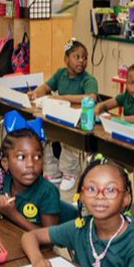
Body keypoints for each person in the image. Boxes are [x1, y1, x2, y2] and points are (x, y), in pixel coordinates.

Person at [21, 159, 134, 267]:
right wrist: (37, 259)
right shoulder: (81, 227)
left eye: (111, 190)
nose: (100, 196)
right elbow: (29, 236)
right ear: (81, 196)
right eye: (91, 189)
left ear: (126, 198)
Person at [28, 40, 97, 191]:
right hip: (60, 115)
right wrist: (35, 93)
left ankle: (70, 172)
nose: (81, 61)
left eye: (84, 58)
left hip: (78, 120)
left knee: (69, 140)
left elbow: (91, 98)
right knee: (45, 134)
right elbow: (46, 86)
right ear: (66, 59)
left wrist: (62, 98)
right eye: (76, 57)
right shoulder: (61, 73)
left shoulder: (88, 79)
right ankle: (52, 170)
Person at [0, 119, 61, 232]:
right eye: (22, 157)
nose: (31, 164)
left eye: (37, 157)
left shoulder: (48, 192)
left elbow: (49, 240)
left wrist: (13, 214)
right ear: (5, 163)